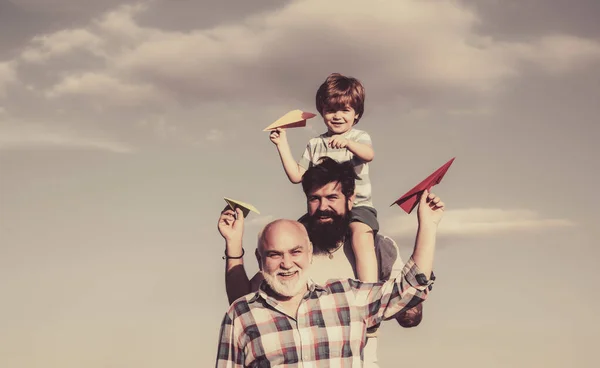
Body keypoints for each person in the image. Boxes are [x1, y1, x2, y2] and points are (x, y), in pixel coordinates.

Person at [220, 157, 426, 367]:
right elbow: (245, 307)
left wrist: (386, 307)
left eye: (332, 197)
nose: (323, 207)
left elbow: (410, 312)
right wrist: (233, 243)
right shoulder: (294, 255)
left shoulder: (378, 248)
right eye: (314, 198)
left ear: (351, 198)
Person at [269, 73, 379, 283]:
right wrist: (281, 144)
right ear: (322, 112)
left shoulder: (358, 137)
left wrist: (347, 143)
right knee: (294, 235)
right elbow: (296, 175)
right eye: (331, 110)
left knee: (361, 235)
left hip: (358, 206)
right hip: (324, 208)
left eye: (345, 110)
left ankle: (369, 288)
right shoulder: (315, 144)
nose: (337, 116)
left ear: (356, 114)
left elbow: (369, 155)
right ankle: (294, 285)